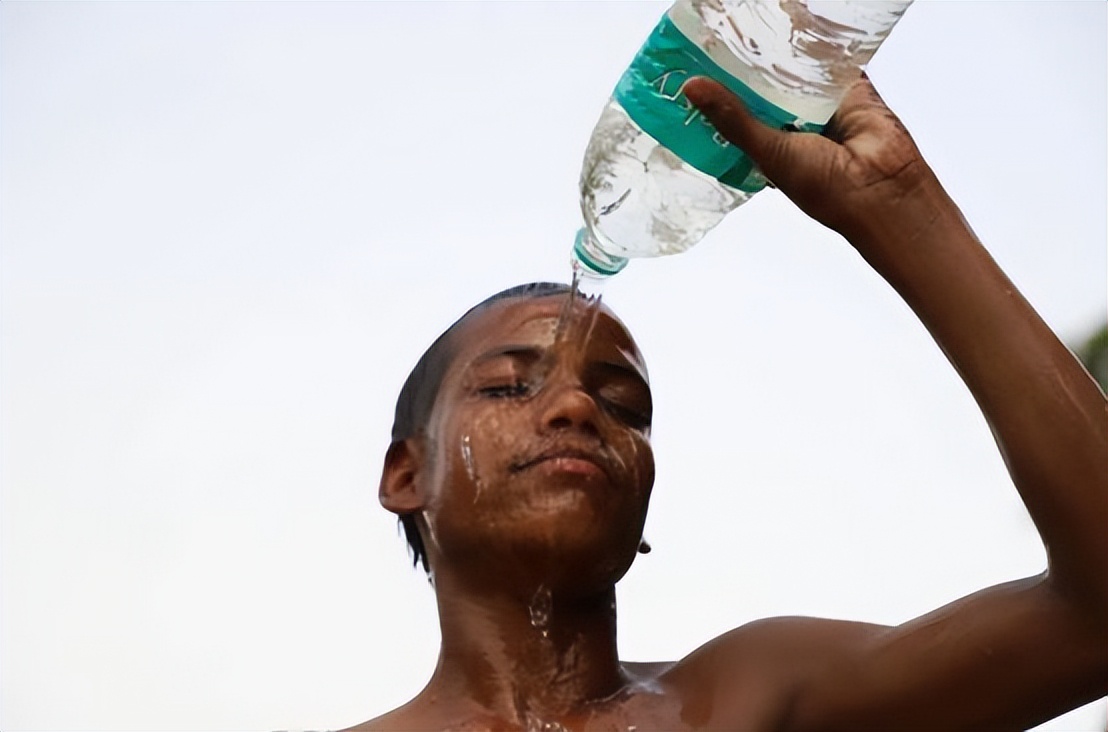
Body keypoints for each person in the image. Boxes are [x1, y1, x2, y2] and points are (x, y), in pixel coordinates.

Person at [350, 76, 1107, 731]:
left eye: (624, 406)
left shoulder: (756, 698)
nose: (577, 408)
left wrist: (897, 203)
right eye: (510, 385)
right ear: (405, 475)